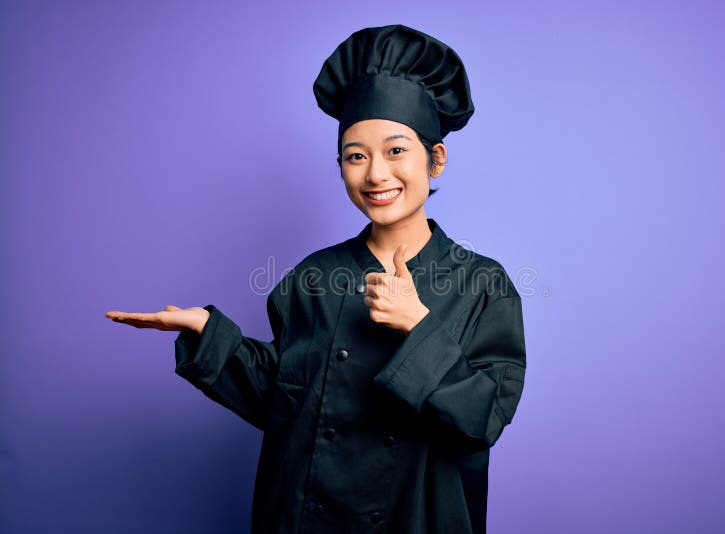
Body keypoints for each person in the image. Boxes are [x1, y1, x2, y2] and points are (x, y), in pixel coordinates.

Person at [106, 24, 526, 534]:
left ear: (434, 159)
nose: (375, 174)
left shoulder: (484, 285)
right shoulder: (312, 278)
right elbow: (286, 402)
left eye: (396, 151)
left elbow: (482, 421)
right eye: (355, 155)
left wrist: (419, 327)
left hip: (414, 519)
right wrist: (209, 334)